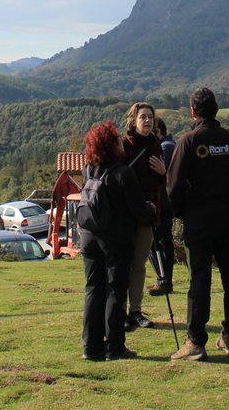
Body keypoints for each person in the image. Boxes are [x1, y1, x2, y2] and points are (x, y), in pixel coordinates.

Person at [166, 87, 229, 360]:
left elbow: (172, 189)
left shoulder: (188, 141)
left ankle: (195, 342)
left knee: (200, 280)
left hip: (198, 222)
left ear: (193, 112)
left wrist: (184, 211)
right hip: (228, 219)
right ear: (216, 110)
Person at [79, 121, 154, 361]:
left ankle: (91, 348)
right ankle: (115, 347)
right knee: (115, 291)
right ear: (111, 145)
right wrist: (150, 210)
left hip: (88, 237)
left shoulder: (87, 170)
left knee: (93, 290)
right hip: (115, 240)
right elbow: (139, 212)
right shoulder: (123, 173)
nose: (121, 142)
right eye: (117, 140)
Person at [120, 102, 165, 330]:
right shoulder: (122, 146)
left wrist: (163, 173)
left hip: (148, 216)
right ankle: (119, 313)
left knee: (139, 265)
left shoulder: (157, 146)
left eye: (150, 117)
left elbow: (162, 183)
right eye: (143, 117)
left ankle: (135, 311)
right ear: (133, 121)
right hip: (124, 217)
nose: (147, 121)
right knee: (122, 264)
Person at [147, 117, 177, 297]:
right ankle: (165, 279)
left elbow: (157, 175)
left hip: (162, 203)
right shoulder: (172, 145)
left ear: (158, 131)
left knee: (155, 242)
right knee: (165, 241)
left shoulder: (165, 148)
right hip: (168, 202)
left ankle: (163, 279)